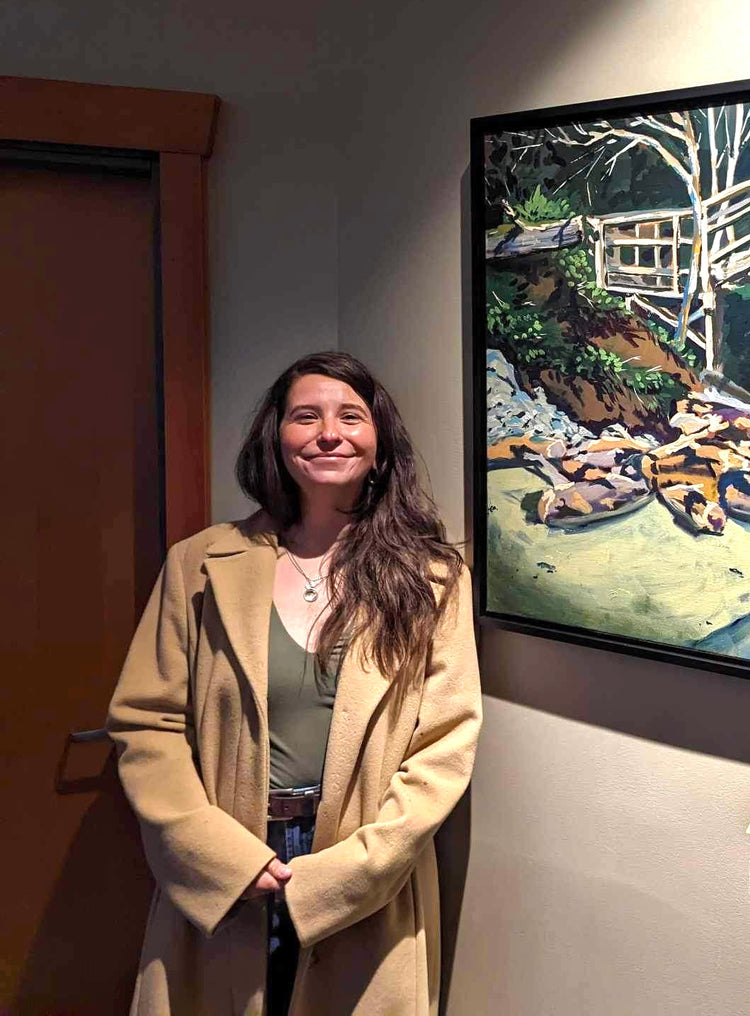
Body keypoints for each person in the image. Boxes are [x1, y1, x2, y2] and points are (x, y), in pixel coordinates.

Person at [107, 351, 482, 1015]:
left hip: (362, 870)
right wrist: (216, 854)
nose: (328, 433)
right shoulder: (199, 564)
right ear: (275, 437)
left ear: (379, 440)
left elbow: (444, 744)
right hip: (230, 863)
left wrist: (356, 870)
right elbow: (147, 722)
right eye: (305, 416)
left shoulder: (433, 577)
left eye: (350, 416)